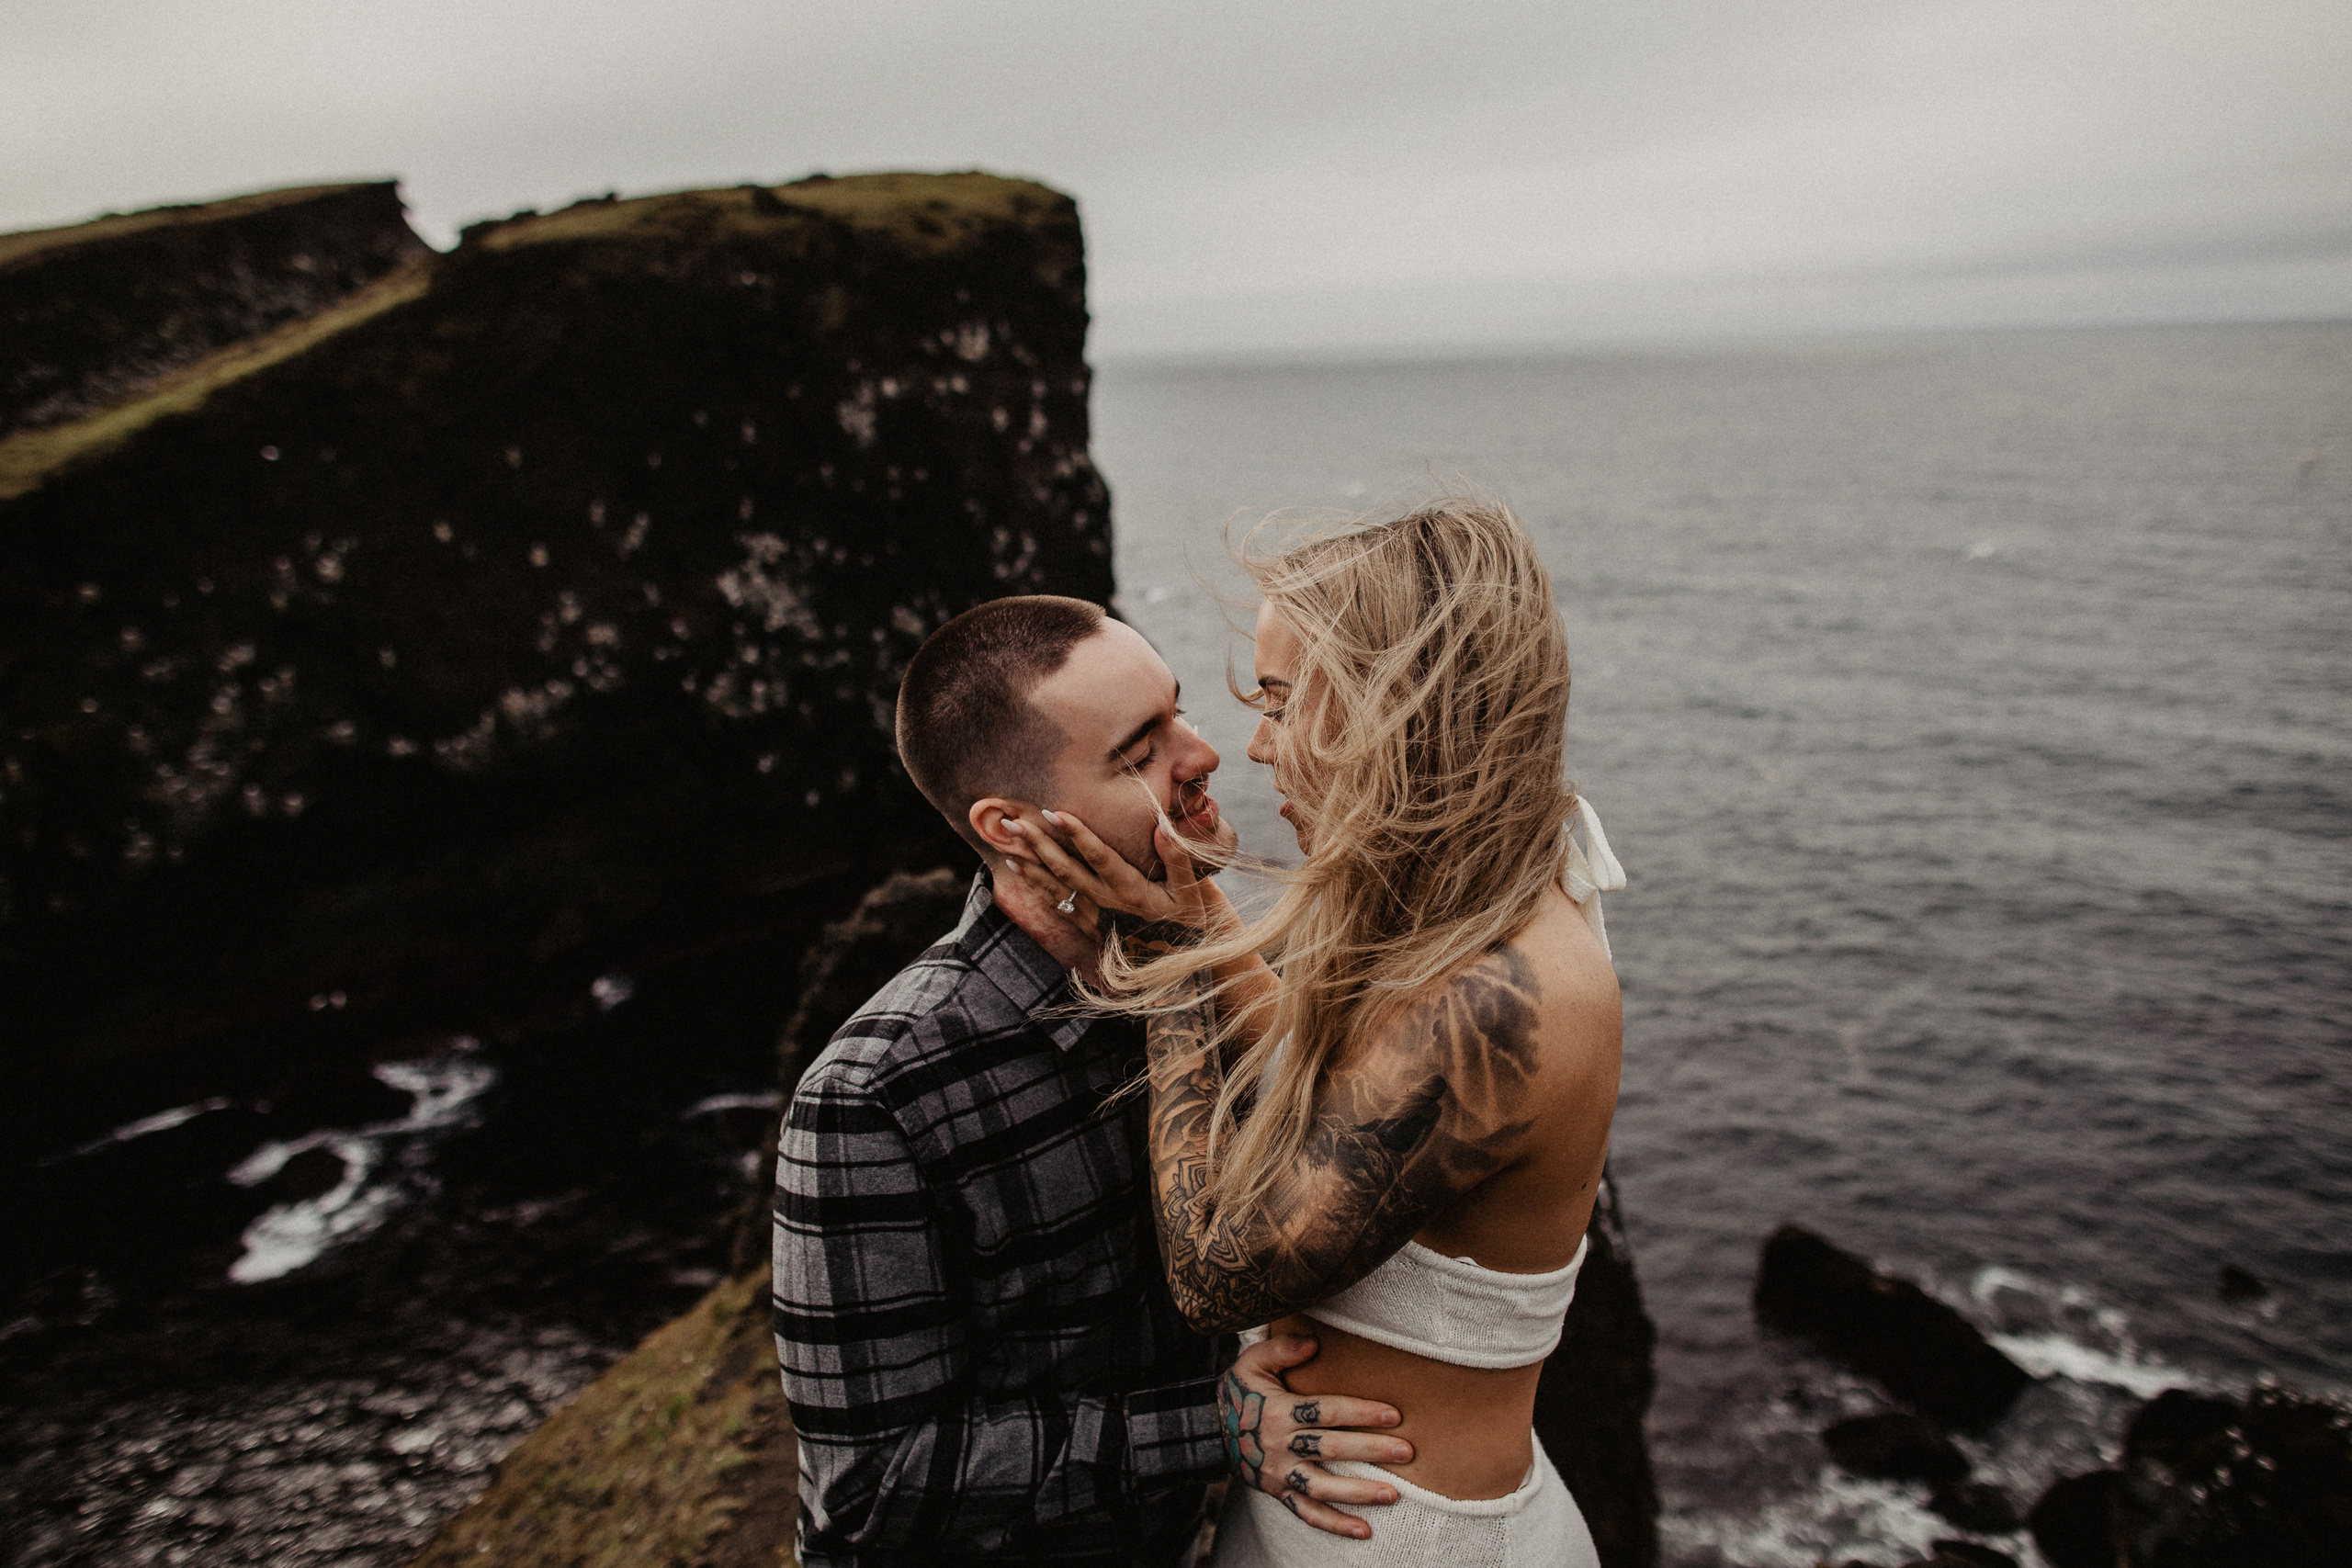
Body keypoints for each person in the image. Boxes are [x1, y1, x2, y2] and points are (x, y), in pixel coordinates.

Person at [1001, 501, 1626, 1565]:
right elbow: (1330, 1075)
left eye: (1282, 703)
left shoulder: (1497, 997)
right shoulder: (1474, 896)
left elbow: (1214, 1271)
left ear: (1397, 707)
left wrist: (1165, 970)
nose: (1254, 744)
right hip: (1333, 1510)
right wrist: (1195, 913)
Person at [773, 593, 1417, 1568]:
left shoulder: (1195, 979)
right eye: (1138, 750)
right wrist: (1217, 1431)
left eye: (1179, 709)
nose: (1204, 755)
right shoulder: (876, 1097)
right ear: (1013, 826)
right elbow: (870, 1485)